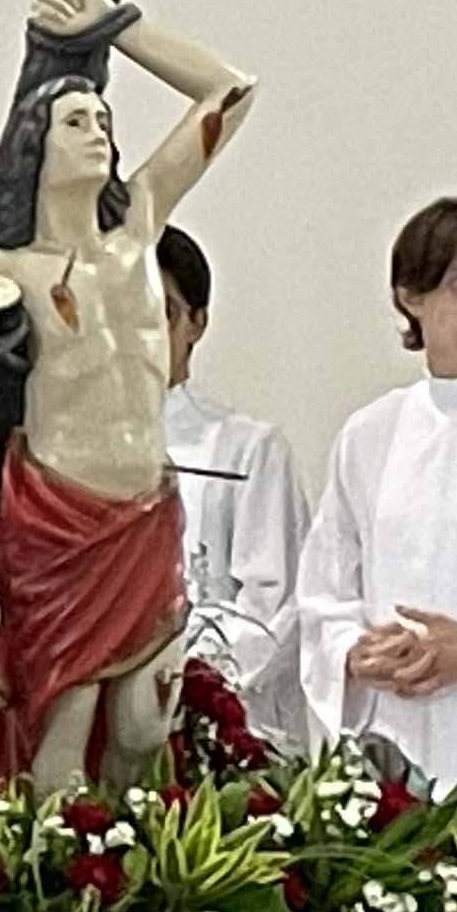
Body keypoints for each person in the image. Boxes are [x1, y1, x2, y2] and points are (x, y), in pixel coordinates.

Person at [0, 0, 255, 785]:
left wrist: (114, 27)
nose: (98, 130)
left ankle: (142, 865)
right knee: (60, 746)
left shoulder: (139, 232)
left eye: (103, 119)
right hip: (55, 527)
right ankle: (70, 873)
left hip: (145, 517)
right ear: (37, 143)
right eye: (75, 120)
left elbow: (230, 93)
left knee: (143, 732)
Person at [299, 197, 457, 782]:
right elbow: (325, 591)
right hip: (394, 741)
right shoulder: (373, 434)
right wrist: (354, 650)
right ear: (410, 296)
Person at [154, 225, 310, 744]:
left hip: (218, 724)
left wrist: (184, 684)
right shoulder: (67, 454)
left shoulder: (246, 448)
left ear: (195, 323)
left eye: (161, 311)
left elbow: (275, 606)